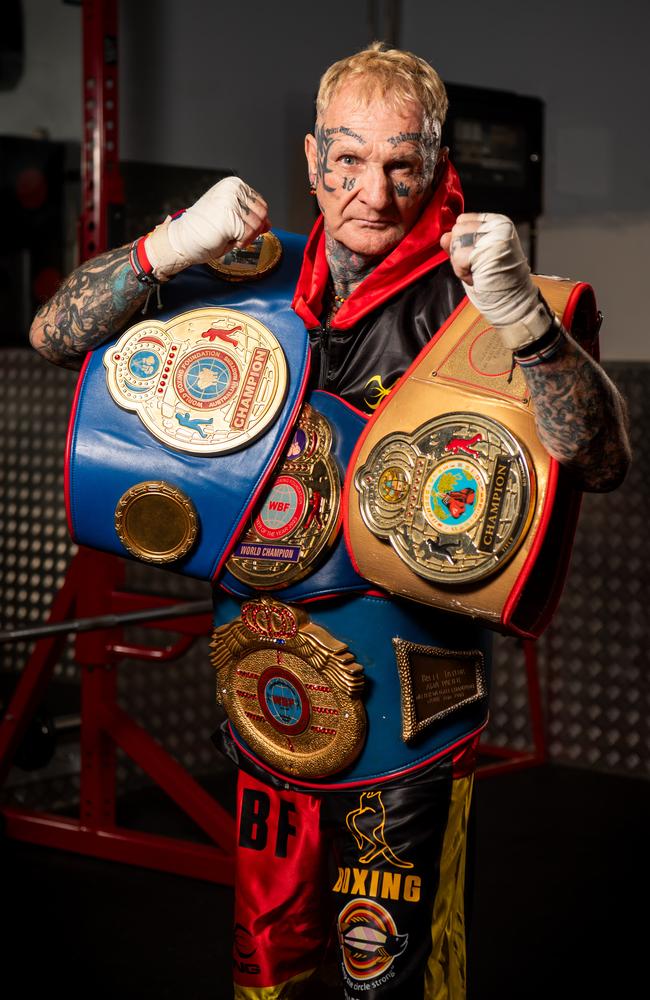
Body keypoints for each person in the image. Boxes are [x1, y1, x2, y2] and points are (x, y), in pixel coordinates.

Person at [30, 43, 630, 1000]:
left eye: (402, 165)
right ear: (312, 160)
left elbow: (601, 460)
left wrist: (527, 323)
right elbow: (55, 334)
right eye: (348, 160)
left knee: (380, 974)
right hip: (265, 696)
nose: (373, 192)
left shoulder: (480, 298)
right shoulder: (245, 275)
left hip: (406, 713)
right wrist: (165, 247)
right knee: (266, 962)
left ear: (435, 166)